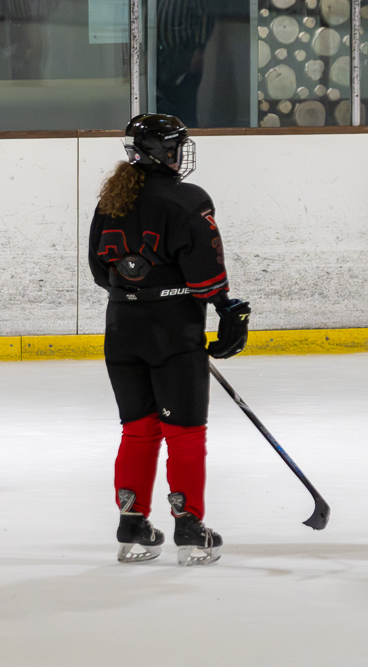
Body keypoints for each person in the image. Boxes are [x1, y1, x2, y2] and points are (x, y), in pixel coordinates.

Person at [89, 113, 251, 565]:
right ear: (164, 151)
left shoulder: (110, 200)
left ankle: (133, 525)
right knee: (184, 434)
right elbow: (206, 274)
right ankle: (190, 530)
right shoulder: (188, 199)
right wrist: (225, 308)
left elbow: (102, 273)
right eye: (177, 146)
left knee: (138, 431)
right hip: (172, 333)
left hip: (121, 330)